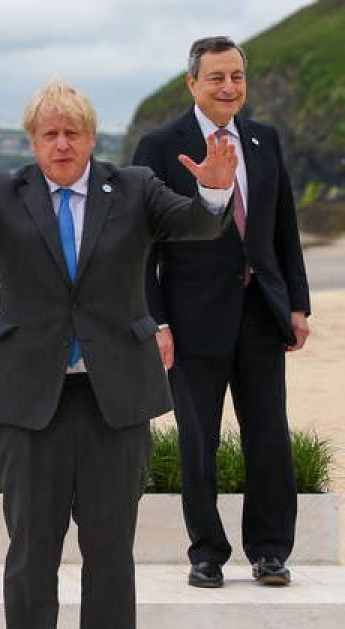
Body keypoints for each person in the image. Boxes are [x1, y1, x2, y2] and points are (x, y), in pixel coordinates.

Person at [0, 80, 235, 629]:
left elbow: (196, 223)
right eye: (50, 134)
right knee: (31, 550)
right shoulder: (3, 191)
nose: (61, 144)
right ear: (33, 141)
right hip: (28, 400)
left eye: (72, 133)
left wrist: (215, 189)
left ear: (91, 138)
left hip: (115, 398)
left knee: (110, 551)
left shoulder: (135, 187)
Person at [132, 36, 311, 589]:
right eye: (216, 77)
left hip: (262, 313)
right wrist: (157, 321)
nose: (229, 87)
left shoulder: (264, 139)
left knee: (270, 437)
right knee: (198, 442)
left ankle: (270, 551)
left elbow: (283, 228)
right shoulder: (161, 146)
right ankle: (207, 553)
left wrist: (297, 304)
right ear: (193, 84)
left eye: (237, 76)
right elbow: (141, 245)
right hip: (191, 321)